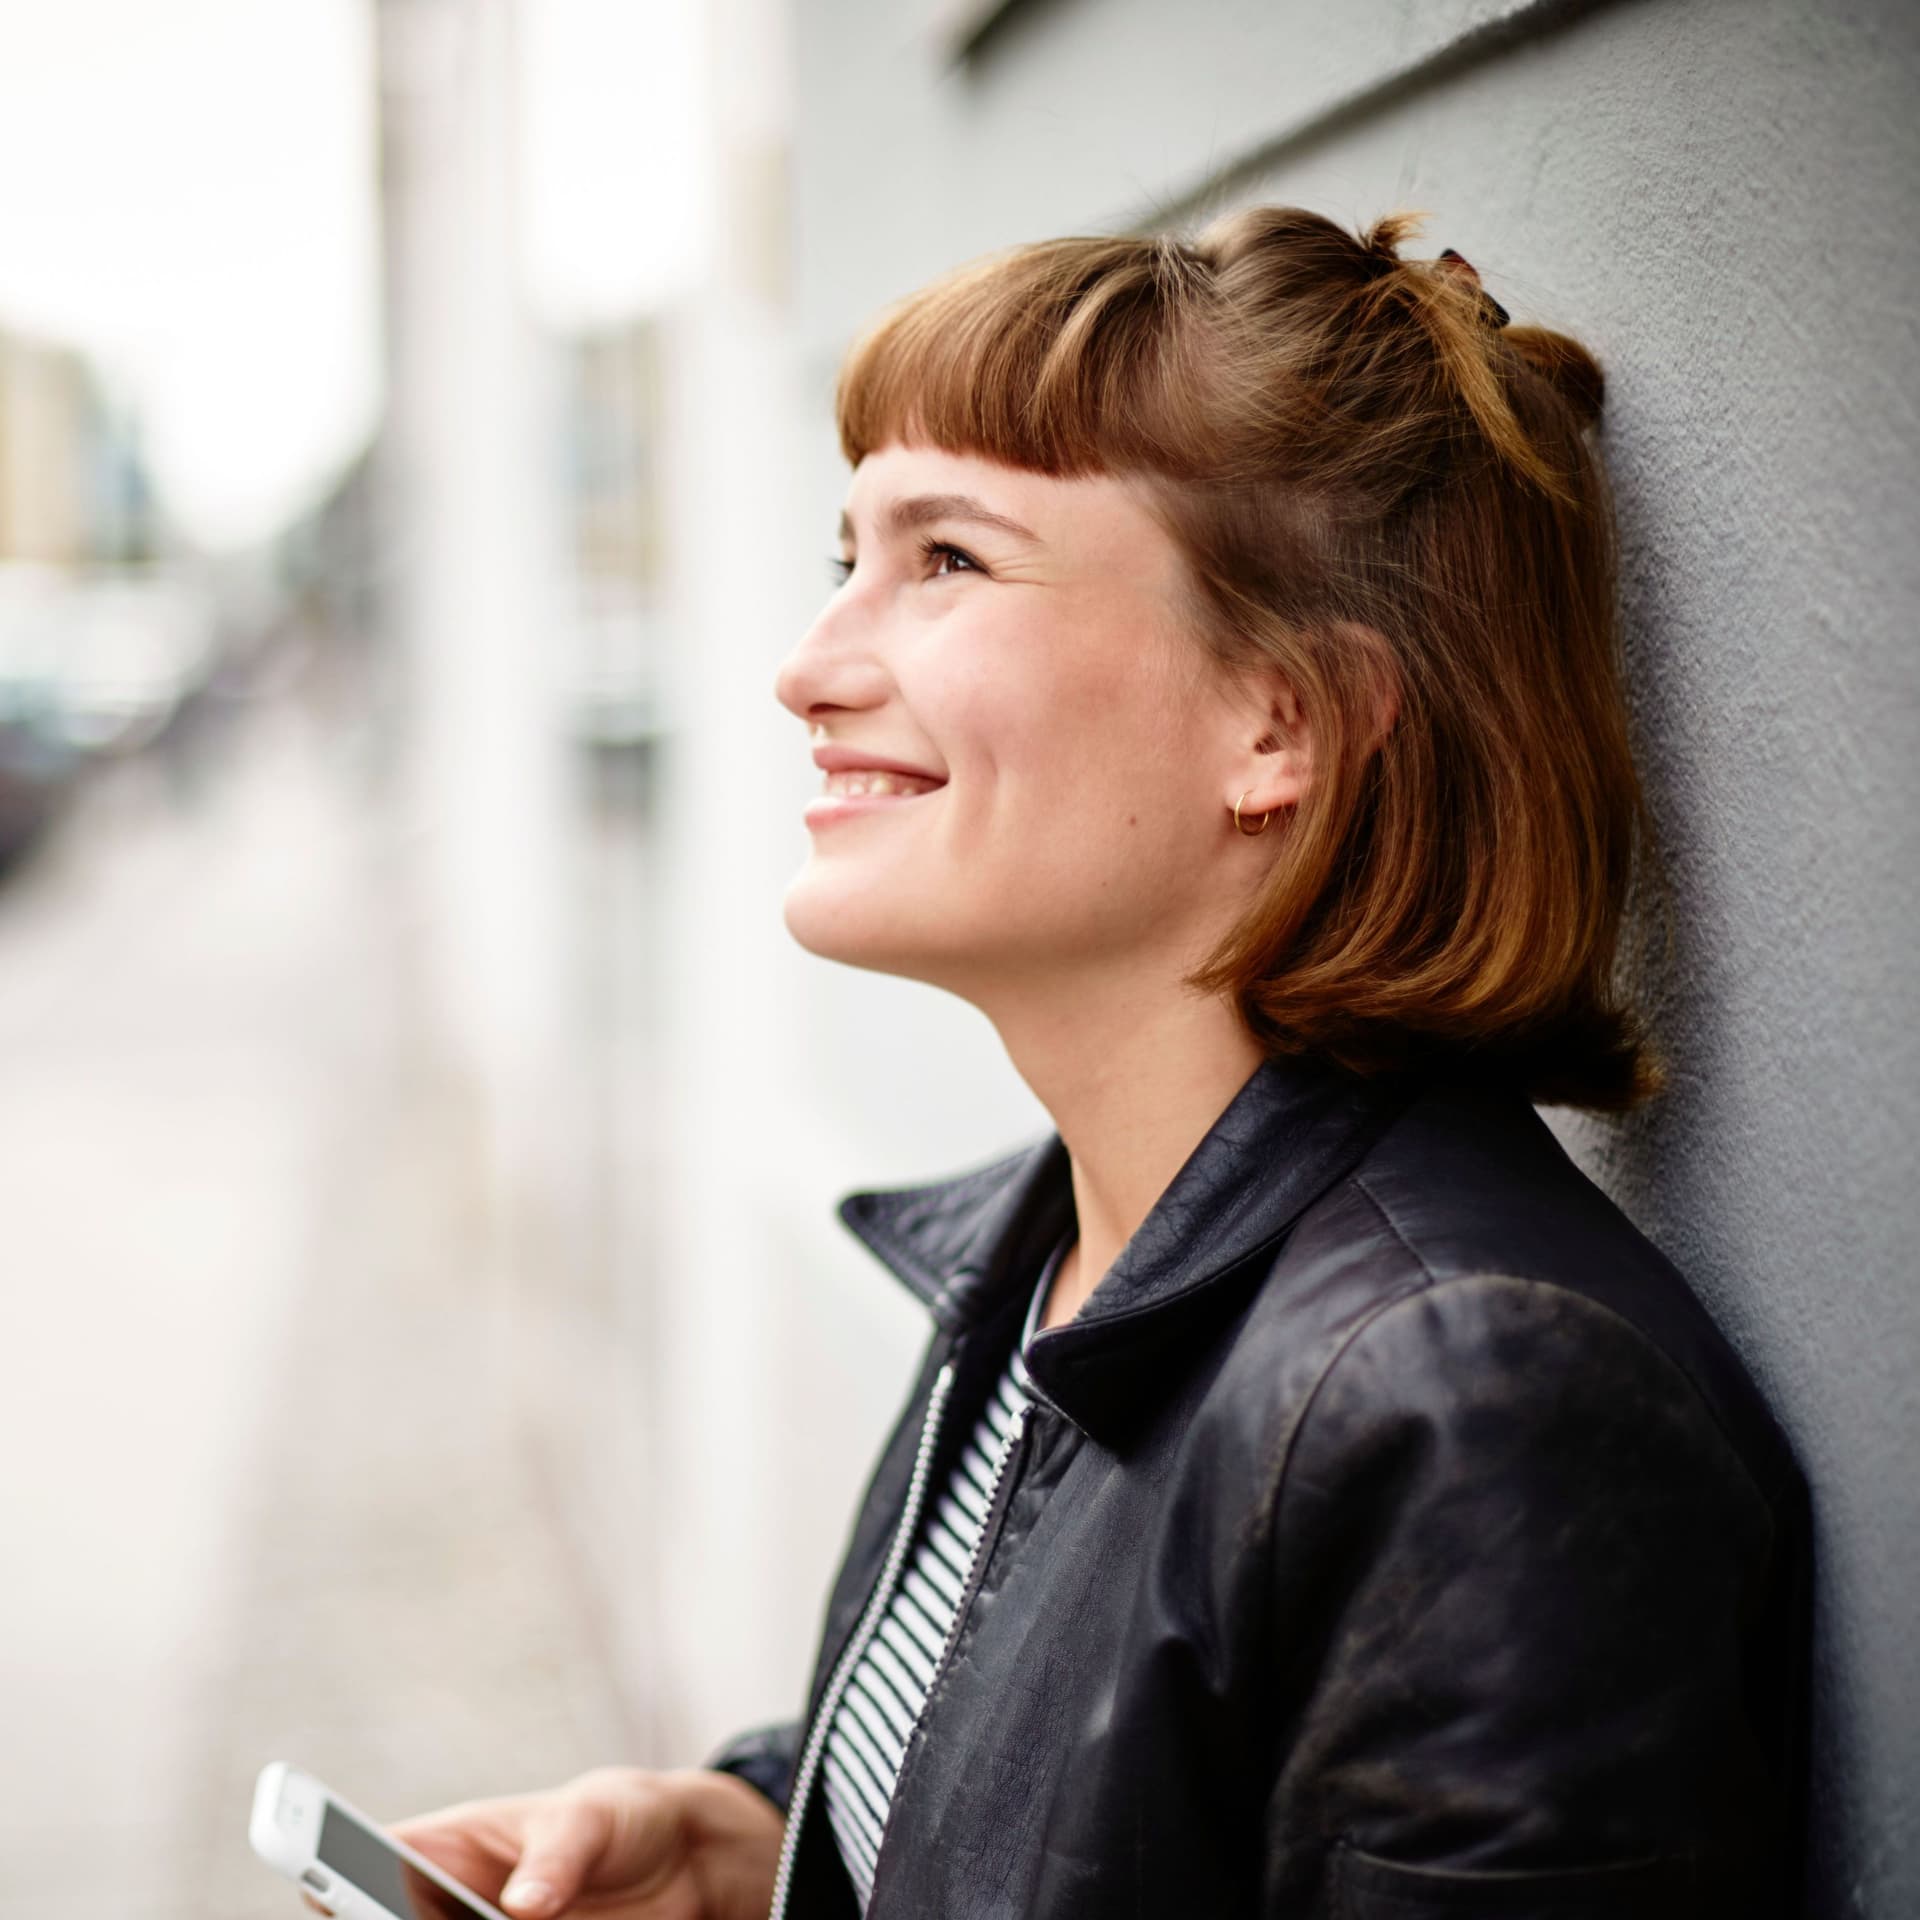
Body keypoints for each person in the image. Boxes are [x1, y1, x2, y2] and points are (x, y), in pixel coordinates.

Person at [379, 206, 1809, 1919]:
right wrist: (748, 1848)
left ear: (1276, 722)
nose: (808, 666)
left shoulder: (1474, 1408)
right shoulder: (1069, 1249)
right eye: (846, 559)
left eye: (951, 561)